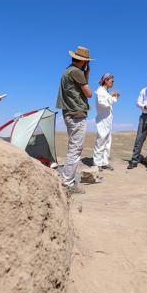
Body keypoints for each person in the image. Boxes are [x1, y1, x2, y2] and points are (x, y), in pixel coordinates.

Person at [56, 45, 94, 194]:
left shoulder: (68, 70)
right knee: (75, 148)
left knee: (73, 146)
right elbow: (89, 93)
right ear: (83, 61)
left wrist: (87, 73)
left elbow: (81, 87)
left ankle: (67, 179)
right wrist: (85, 73)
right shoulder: (77, 72)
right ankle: (68, 183)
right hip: (77, 113)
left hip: (69, 112)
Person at [93, 73, 119, 172]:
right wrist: (113, 98)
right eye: (111, 80)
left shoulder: (106, 92)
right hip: (102, 120)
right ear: (106, 80)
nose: (112, 82)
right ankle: (97, 163)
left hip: (108, 120)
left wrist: (112, 97)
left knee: (107, 141)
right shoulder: (100, 91)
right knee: (101, 140)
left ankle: (104, 162)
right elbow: (102, 103)